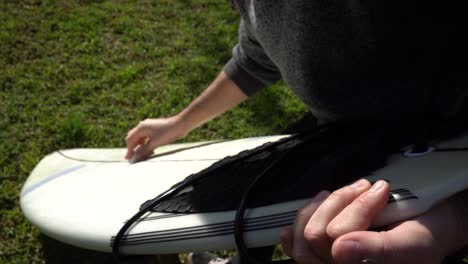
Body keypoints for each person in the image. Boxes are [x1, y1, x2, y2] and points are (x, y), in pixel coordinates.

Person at [125, 1, 468, 263]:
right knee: (259, 197)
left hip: (441, 152)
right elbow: (256, 57)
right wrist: (178, 124)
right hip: (336, 132)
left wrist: (456, 220)